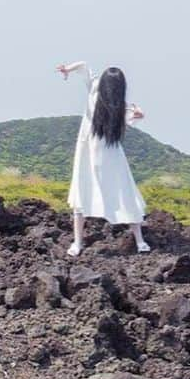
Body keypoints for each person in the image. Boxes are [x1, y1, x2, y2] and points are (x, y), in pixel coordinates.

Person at [56, 61, 150, 257]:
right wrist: (137, 113)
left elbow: (83, 67)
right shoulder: (107, 98)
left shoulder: (115, 105)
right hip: (98, 153)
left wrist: (67, 70)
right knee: (118, 192)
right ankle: (138, 241)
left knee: (98, 193)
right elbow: (83, 66)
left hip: (99, 153)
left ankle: (79, 243)